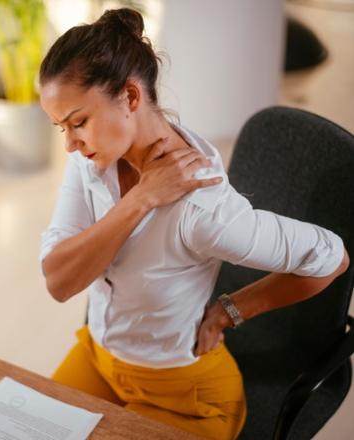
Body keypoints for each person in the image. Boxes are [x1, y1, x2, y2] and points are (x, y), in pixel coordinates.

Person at [37, 8, 350, 440]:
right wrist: (143, 198)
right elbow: (59, 280)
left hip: (183, 396)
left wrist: (228, 311)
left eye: (77, 123)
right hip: (99, 357)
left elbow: (332, 258)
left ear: (130, 97)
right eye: (61, 128)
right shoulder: (94, 158)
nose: (70, 143)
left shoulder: (202, 209)